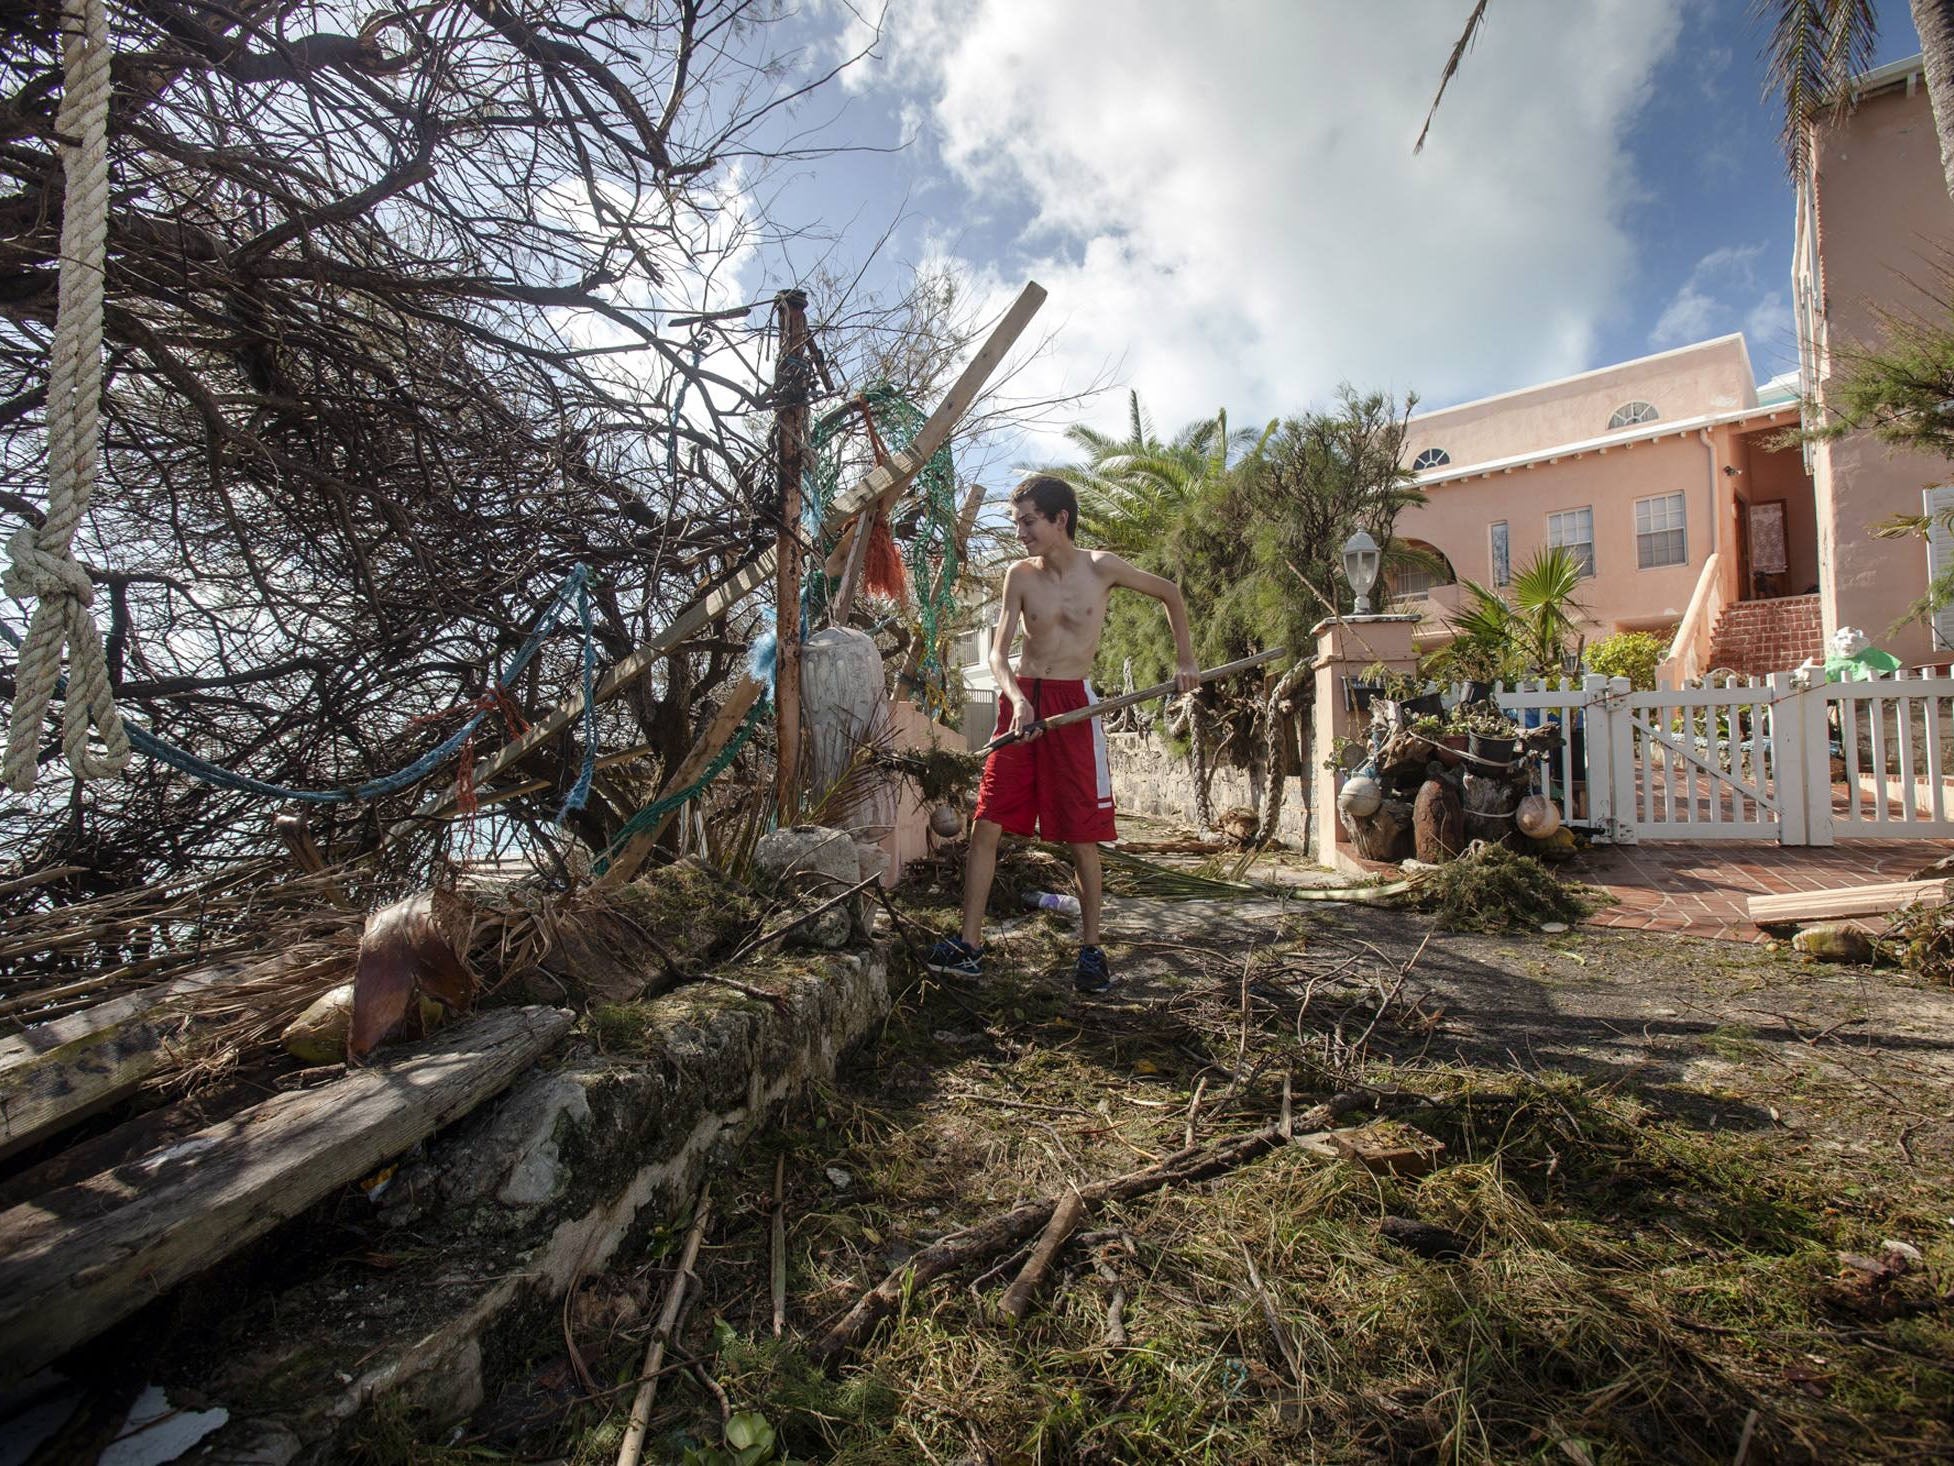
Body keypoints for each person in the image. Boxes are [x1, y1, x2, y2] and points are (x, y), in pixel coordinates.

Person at [927, 474, 1198, 992]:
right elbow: (996, 651)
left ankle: (1092, 951)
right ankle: (969, 946)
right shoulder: (1019, 576)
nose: (1021, 532)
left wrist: (1186, 660)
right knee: (987, 823)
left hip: (1074, 705)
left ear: (1060, 520)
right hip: (1023, 702)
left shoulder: (1102, 569)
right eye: (1018, 523)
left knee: (1081, 835)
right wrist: (1018, 698)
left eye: (1029, 522)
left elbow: (1170, 593)